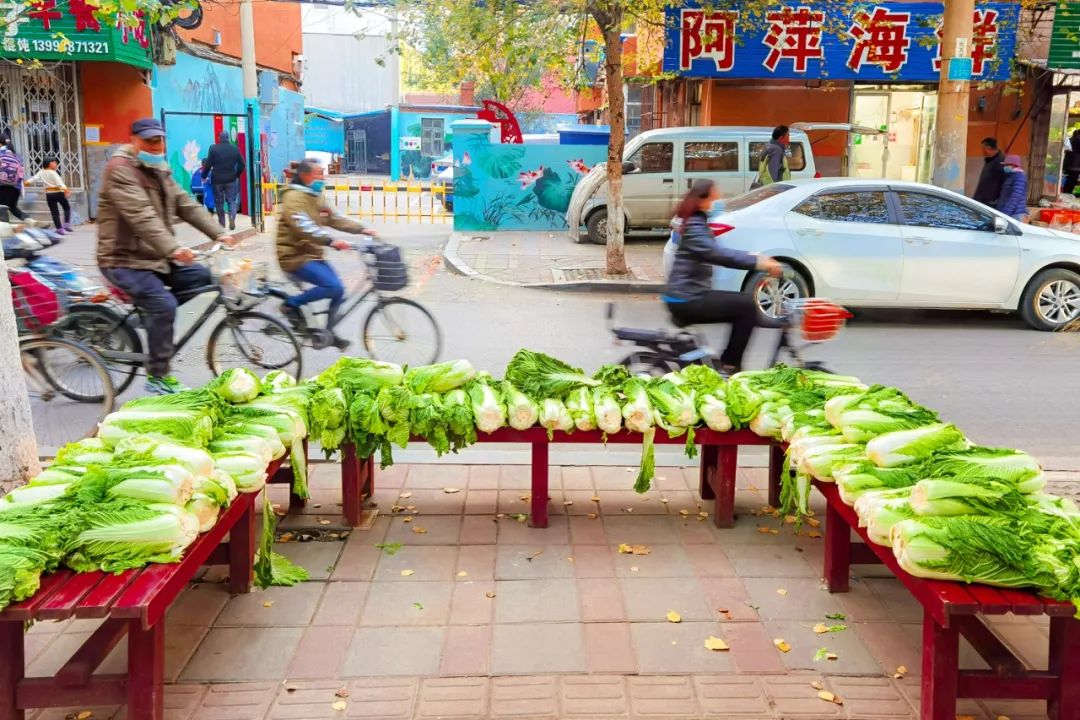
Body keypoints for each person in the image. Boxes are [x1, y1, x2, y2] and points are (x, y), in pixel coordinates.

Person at [97, 118, 236, 395]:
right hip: (123, 260)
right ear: (134, 141)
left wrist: (218, 233)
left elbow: (185, 203)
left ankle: (151, 316)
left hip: (153, 258)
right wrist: (173, 249)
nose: (156, 146)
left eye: (160, 140)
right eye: (149, 141)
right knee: (164, 305)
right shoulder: (120, 170)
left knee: (204, 276)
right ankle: (158, 377)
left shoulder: (159, 168)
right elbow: (142, 217)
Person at [664, 179, 783, 374]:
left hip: (689, 294)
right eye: (715, 198)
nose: (719, 202)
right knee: (746, 306)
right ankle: (730, 365)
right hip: (686, 298)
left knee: (742, 304)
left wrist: (754, 257)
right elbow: (716, 254)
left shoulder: (697, 221)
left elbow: (717, 251)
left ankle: (726, 363)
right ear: (702, 200)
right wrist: (758, 263)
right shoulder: (694, 225)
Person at [275, 158, 376, 350]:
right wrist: (331, 241)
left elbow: (333, 218)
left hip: (312, 254)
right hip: (293, 256)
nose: (323, 177)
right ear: (305, 176)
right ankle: (290, 304)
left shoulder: (315, 195)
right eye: (319, 174)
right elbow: (303, 227)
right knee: (332, 286)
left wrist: (362, 229)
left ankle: (328, 333)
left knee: (339, 291)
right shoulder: (293, 198)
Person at [201, 130, 245, 230]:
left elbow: (208, 164)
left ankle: (222, 224)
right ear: (228, 138)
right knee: (231, 201)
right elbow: (242, 165)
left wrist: (204, 176)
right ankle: (232, 217)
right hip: (231, 179)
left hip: (217, 180)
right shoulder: (235, 149)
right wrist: (236, 175)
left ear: (219, 138)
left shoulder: (213, 149)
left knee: (219, 202)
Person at [27, 157, 72, 234]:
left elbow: (34, 179)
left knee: (54, 212)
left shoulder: (41, 172)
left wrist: (26, 183)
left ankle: (59, 229)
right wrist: (66, 190)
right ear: (49, 164)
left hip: (49, 194)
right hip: (59, 193)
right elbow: (59, 183)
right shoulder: (53, 173)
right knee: (66, 207)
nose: (56, 164)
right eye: (54, 162)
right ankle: (66, 225)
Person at [973, 137, 1006, 207]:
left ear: (988, 148)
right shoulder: (989, 160)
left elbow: (1004, 183)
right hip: (982, 200)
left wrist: (996, 200)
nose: (981, 150)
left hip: (991, 203)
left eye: (982, 148)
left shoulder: (1001, 161)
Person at [0, 140, 27, 221]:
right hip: (16, 187)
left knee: (2, 209)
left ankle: (5, 229)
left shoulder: (1, 154)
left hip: (2, 187)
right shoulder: (17, 157)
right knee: (13, 208)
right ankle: (29, 220)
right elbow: (21, 174)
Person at [997, 155, 1029, 222]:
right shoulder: (1011, 176)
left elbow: (1016, 197)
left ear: (1013, 165)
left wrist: (1005, 213)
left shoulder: (1019, 177)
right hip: (1009, 213)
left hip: (1015, 214)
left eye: (1006, 165)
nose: (1004, 167)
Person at [1063, 129, 1080, 196]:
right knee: (1072, 181)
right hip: (1076, 164)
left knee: (1068, 180)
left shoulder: (1071, 139)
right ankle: (1068, 194)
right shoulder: (1078, 140)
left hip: (1068, 163)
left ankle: (1065, 194)